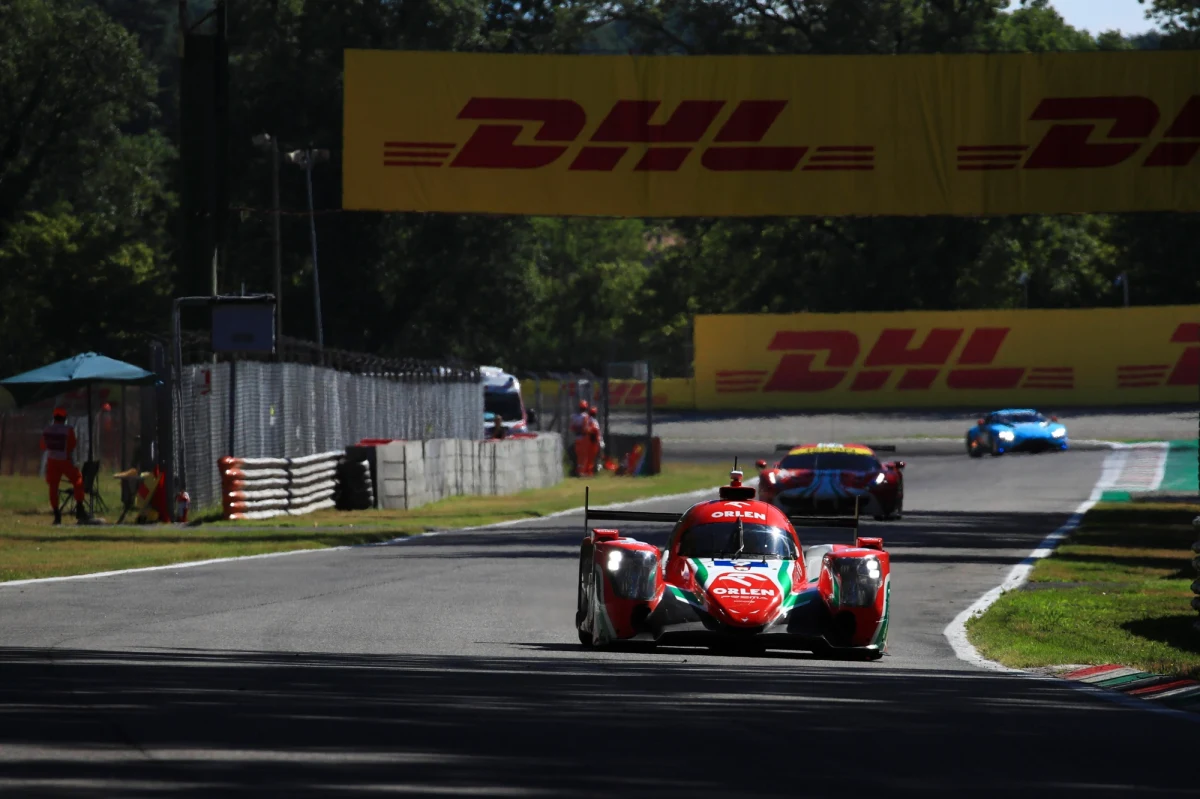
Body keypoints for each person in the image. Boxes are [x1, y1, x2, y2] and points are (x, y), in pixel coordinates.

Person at [41, 407, 86, 525]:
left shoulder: (47, 430)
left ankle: (56, 514)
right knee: (78, 480)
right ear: (65, 418)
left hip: (52, 461)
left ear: (54, 418)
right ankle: (80, 507)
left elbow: (42, 446)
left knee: (53, 487)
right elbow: (72, 444)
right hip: (65, 460)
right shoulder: (68, 430)